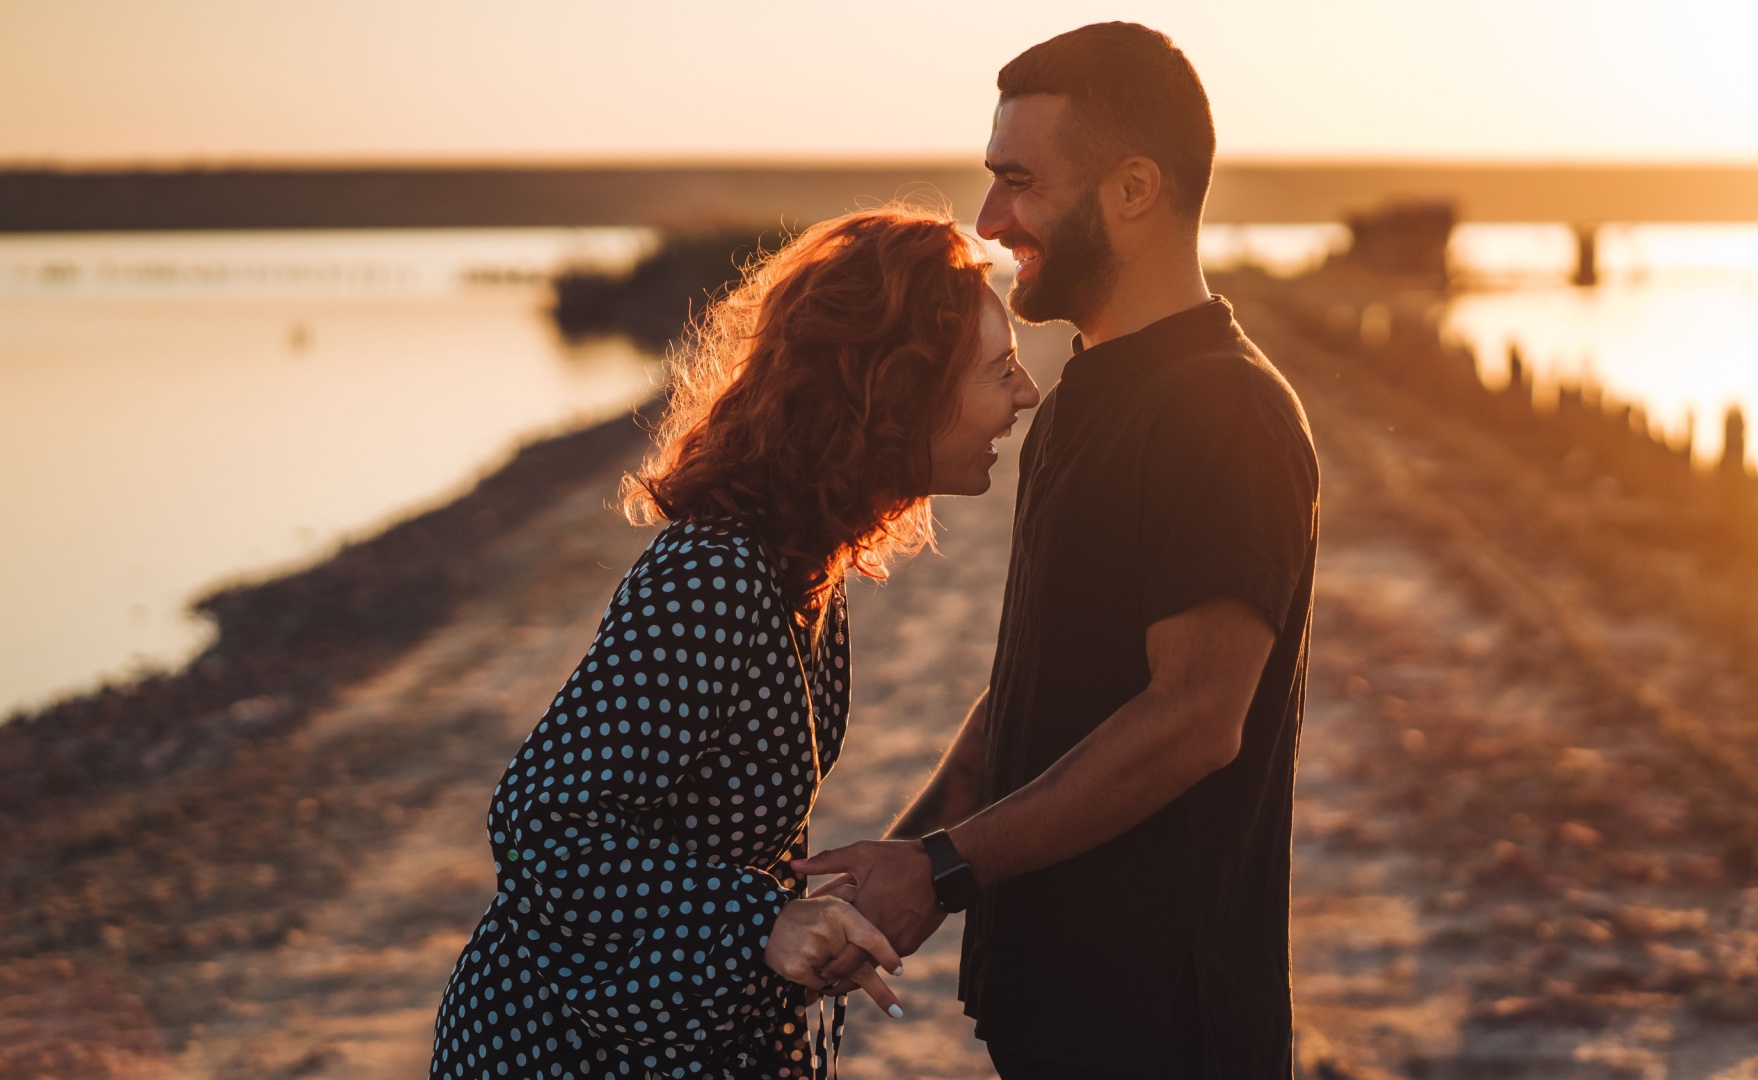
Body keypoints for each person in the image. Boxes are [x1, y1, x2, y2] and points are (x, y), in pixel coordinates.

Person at [795, 24, 1320, 1079]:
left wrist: (940, 870)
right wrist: (893, 881)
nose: (990, 224)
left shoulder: (1226, 408)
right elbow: (1033, 692)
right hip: (1055, 1006)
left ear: (1134, 190)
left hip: (1166, 1028)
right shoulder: (1087, 392)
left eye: (1018, 183)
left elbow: (1193, 721)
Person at [429, 205, 1041, 1080]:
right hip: (566, 1046)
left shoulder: (806, 567)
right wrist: (762, 922)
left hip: (675, 1029)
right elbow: (538, 826)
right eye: (1002, 368)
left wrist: (828, 907)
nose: (1025, 393)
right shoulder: (713, 575)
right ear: (899, 392)